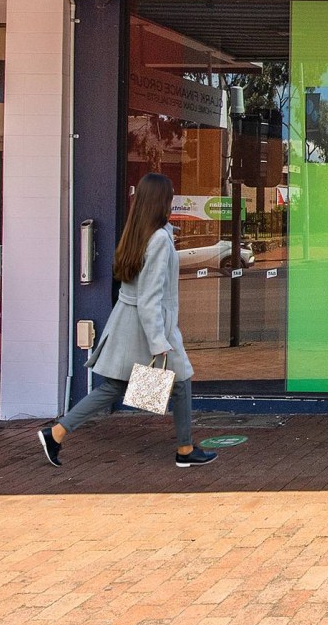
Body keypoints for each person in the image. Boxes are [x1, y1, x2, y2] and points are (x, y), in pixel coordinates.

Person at [38, 173, 216, 468]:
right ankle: (184, 450)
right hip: (149, 327)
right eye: (170, 195)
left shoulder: (136, 232)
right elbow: (150, 297)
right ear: (162, 200)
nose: (173, 199)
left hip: (127, 324)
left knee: (117, 386)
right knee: (180, 381)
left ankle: (56, 432)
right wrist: (158, 341)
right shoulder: (159, 239)